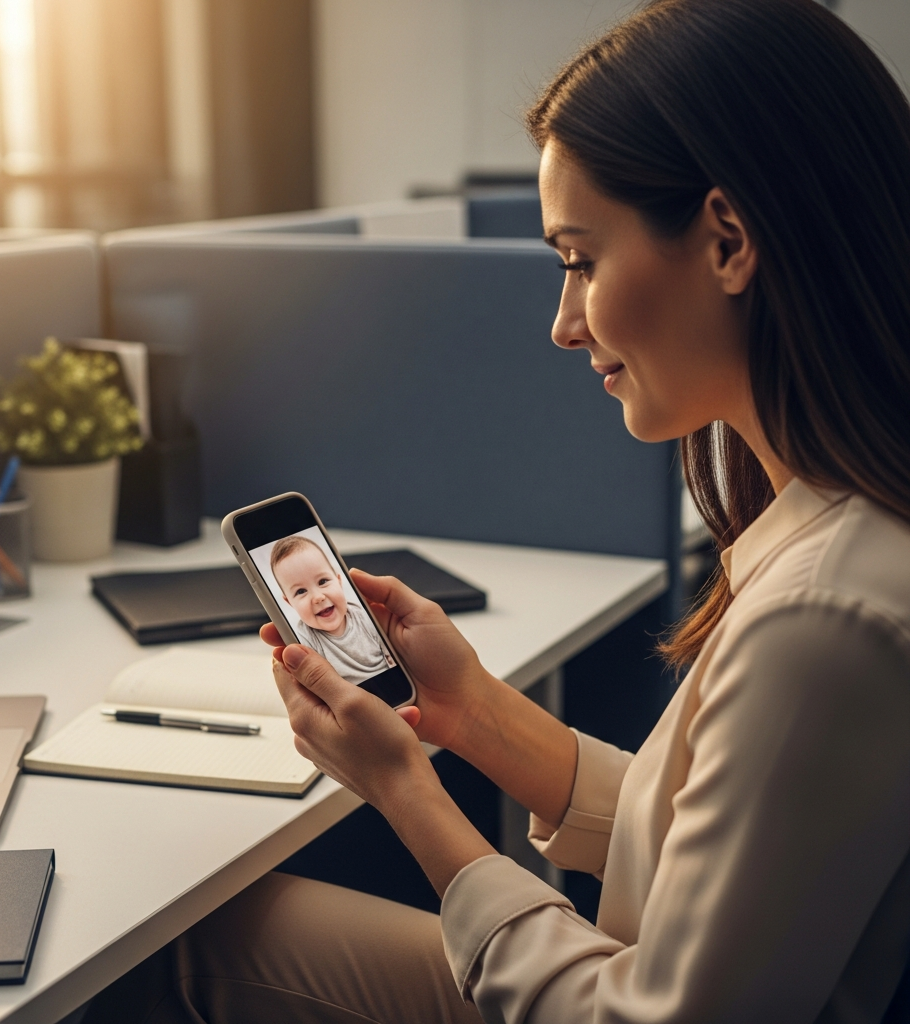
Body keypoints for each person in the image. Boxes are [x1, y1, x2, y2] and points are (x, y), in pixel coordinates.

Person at [83, 0, 910, 1020]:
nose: (563, 325)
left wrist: (407, 793)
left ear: (727, 241)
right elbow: (709, 848)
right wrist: (472, 714)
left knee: (178, 943)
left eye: (580, 260)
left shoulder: (823, 619)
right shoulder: (840, 534)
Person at [269, 534, 395, 685]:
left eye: (323, 581)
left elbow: (391, 659)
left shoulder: (364, 616)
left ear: (339, 581)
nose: (318, 597)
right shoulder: (305, 639)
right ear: (289, 602)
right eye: (301, 591)